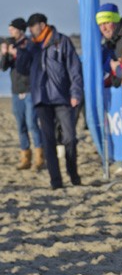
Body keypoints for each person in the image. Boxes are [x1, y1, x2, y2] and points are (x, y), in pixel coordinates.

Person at [15, 13, 83, 189]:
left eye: (32, 26)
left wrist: (75, 92)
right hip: (41, 100)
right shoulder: (31, 45)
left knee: (69, 138)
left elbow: (74, 69)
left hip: (63, 98)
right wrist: (22, 49)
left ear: (42, 25)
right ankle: (56, 181)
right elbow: (22, 68)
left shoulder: (62, 41)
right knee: (48, 140)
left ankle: (73, 173)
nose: (30, 30)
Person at [0, 17, 44, 171]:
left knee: (32, 124)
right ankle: (25, 157)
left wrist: (17, 53)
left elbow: (26, 66)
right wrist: (5, 54)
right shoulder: (11, 44)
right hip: (15, 91)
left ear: (20, 30)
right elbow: (3, 68)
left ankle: (39, 156)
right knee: (21, 126)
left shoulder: (29, 44)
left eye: (12, 29)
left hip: (30, 90)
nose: (10, 32)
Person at [95, 3, 122, 88]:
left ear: (116, 21)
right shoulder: (104, 47)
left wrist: (117, 69)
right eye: (100, 24)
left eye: (107, 23)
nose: (103, 28)